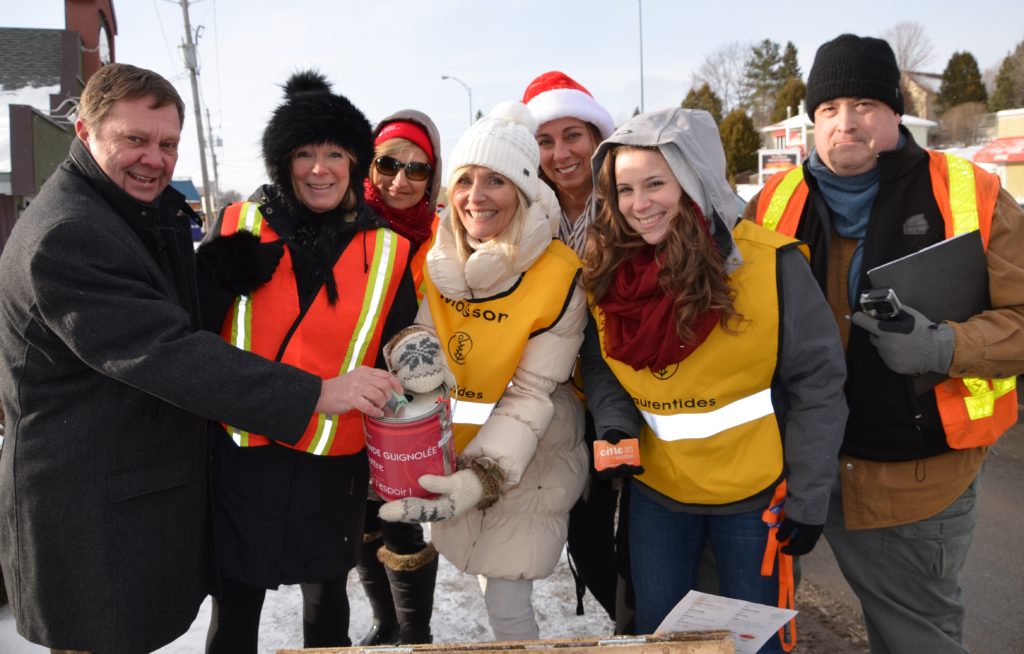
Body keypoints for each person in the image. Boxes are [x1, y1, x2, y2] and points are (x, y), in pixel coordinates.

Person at [0, 63, 402, 654]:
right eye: (134, 139)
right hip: (93, 508)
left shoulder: (126, 209)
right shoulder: (70, 230)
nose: (154, 158)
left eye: (166, 144)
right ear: (85, 132)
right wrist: (316, 391)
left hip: (292, 472)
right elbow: (164, 350)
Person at [745, 34, 1024, 654]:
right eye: (829, 108)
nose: (847, 123)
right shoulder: (772, 202)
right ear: (812, 120)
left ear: (896, 112)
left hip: (917, 485)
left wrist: (945, 346)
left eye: (867, 104)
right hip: (801, 477)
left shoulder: (969, 193)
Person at [580, 107, 847, 650]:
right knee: (663, 638)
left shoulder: (771, 265)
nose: (639, 204)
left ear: (695, 179)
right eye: (625, 189)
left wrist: (810, 496)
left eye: (656, 183)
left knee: (754, 642)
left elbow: (818, 383)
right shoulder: (609, 273)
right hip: (658, 494)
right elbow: (602, 361)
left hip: (754, 498)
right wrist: (614, 424)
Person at [195, 71, 418, 653]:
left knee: (327, 608)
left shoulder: (390, 251)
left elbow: (402, 357)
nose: (319, 168)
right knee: (235, 611)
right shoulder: (239, 227)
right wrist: (216, 272)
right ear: (282, 161)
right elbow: (190, 340)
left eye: (334, 153)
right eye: (303, 153)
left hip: (331, 460)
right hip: (245, 453)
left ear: (355, 161)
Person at [378, 102, 589, 642]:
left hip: (530, 452)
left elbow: (533, 392)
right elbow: (423, 345)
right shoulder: (438, 257)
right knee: (479, 570)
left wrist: (483, 476)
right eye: (466, 180)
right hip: (459, 445)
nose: (476, 197)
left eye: (495, 180)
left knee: (507, 597)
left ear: (523, 190)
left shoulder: (559, 273)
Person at [521, 70, 633, 633]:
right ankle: (633, 628)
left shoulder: (631, 200)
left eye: (573, 136)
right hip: (567, 399)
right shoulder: (529, 214)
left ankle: (656, 627)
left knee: (643, 533)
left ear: (597, 137)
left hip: (640, 391)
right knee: (587, 538)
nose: (561, 153)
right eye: (545, 140)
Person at [355, 110, 443, 646]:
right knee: (362, 517)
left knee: (401, 516)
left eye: (417, 169)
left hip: (411, 401)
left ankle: (415, 631)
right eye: (388, 164)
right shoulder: (347, 223)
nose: (400, 180)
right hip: (351, 392)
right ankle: (384, 621)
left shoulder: (445, 234)